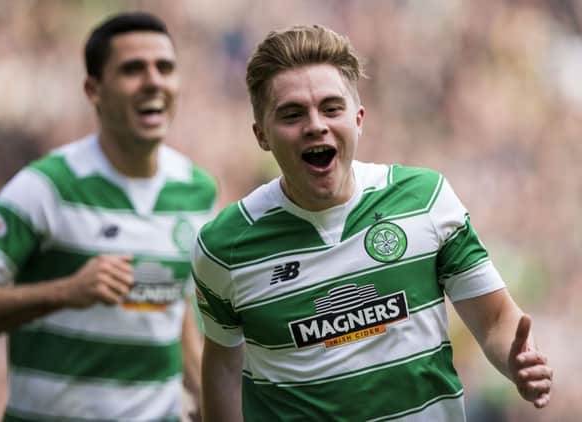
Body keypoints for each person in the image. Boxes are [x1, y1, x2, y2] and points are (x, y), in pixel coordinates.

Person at [192, 25, 553, 421]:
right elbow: (224, 366)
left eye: (331, 108)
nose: (316, 125)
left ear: (358, 118)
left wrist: (518, 361)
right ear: (262, 135)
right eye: (293, 114)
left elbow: (497, 319)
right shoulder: (224, 245)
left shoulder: (425, 200)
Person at [0, 12, 215, 422]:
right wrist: (65, 292)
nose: (154, 81)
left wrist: (209, 403)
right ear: (94, 90)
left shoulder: (196, 191)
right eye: (132, 69)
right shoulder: (46, 186)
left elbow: (179, 316)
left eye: (165, 68)